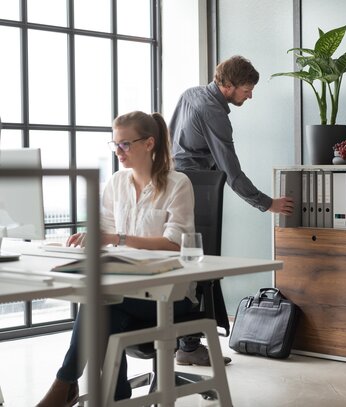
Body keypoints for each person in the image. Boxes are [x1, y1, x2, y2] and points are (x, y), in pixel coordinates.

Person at [36, 111, 219, 406]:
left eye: (125, 145)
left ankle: (68, 383)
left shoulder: (177, 184)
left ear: (149, 143)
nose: (119, 152)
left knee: (99, 305)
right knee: (104, 308)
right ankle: (113, 396)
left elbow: (174, 244)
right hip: (125, 290)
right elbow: (105, 231)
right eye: (115, 145)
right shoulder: (117, 183)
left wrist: (117, 239)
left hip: (169, 294)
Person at [169, 55, 294, 365]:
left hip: (173, 184)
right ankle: (188, 346)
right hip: (198, 189)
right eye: (247, 89)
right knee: (198, 267)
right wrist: (267, 203)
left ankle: (179, 342)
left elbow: (170, 139)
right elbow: (232, 171)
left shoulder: (191, 94)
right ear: (227, 86)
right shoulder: (214, 113)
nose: (250, 95)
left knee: (183, 264)